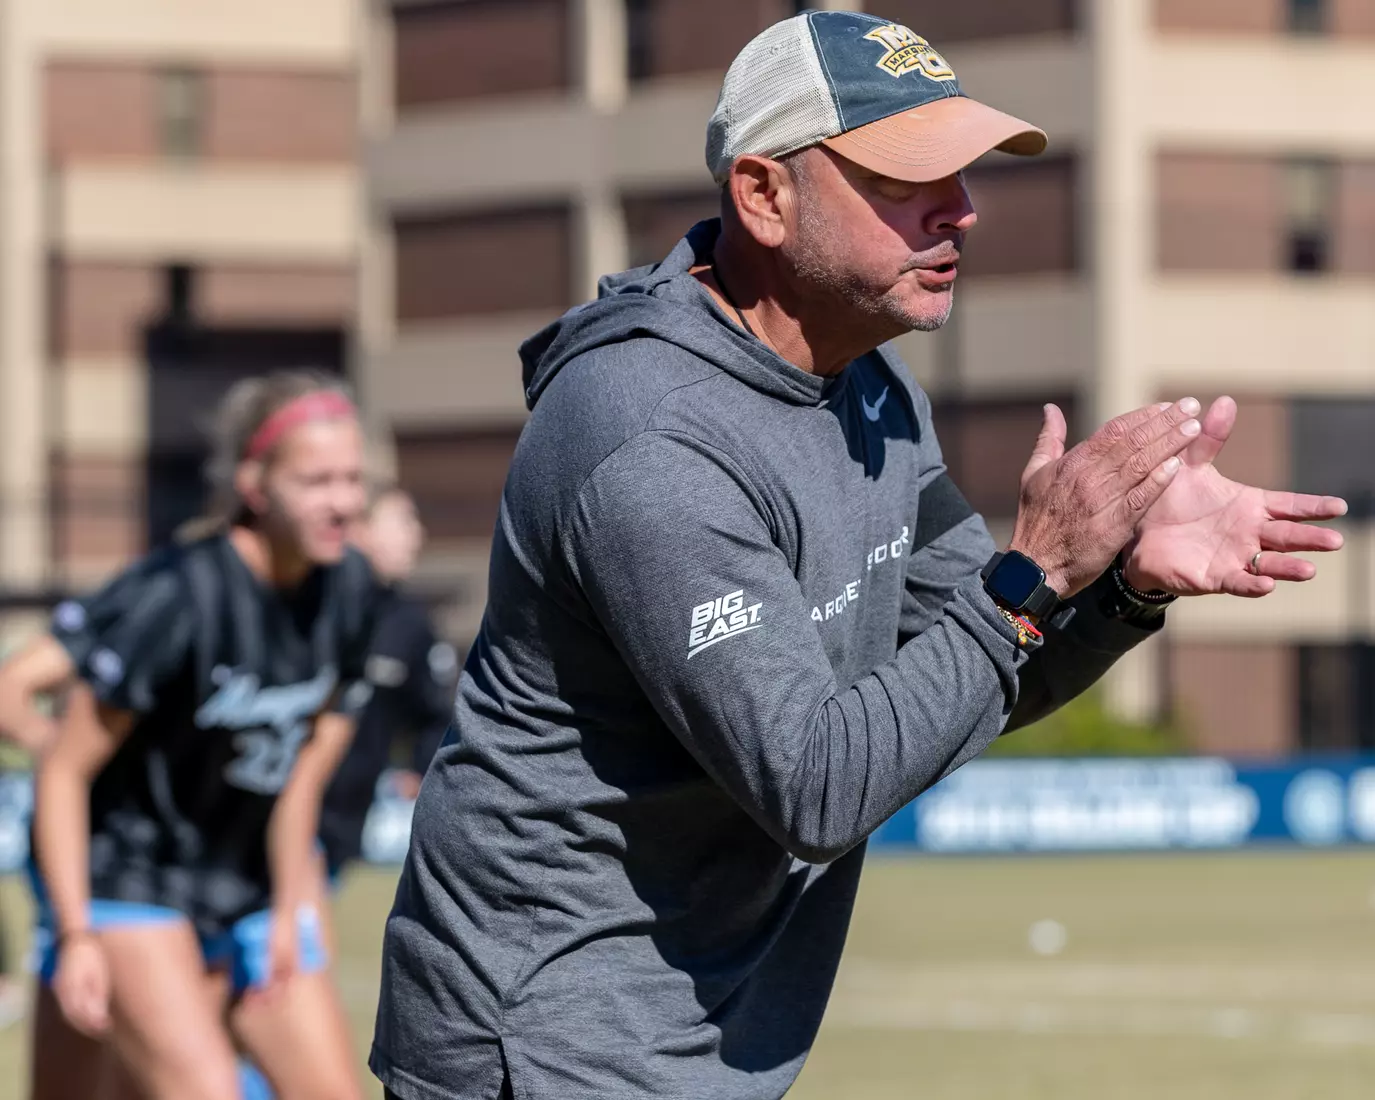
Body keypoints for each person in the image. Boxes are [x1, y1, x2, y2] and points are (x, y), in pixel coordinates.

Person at [370, 12, 1348, 1100]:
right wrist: (1033, 572)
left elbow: (962, 667)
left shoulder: (872, 391)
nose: (960, 209)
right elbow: (818, 786)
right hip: (544, 1040)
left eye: (964, 173)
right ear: (762, 195)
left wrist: (1120, 586)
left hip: (693, 1035)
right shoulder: (647, 435)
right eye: (904, 177)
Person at [0, 369, 377, 1100]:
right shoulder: (176, 596)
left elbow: (299, 774)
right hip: (133, 884)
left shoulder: (352, 590)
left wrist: (295, 904)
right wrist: (76, 932)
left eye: (353, 479)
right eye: (317, 481)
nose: (343, 502)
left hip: (248, 888)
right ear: (254, 484)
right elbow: (66, 769)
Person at [320, 484, 456, 881]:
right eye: (403, 521)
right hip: (276, 813)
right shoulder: (315, 606)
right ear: (359, 530)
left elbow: (437, 713)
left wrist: (420, 769)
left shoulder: (410, 625)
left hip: (346, 821)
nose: (417, 536)